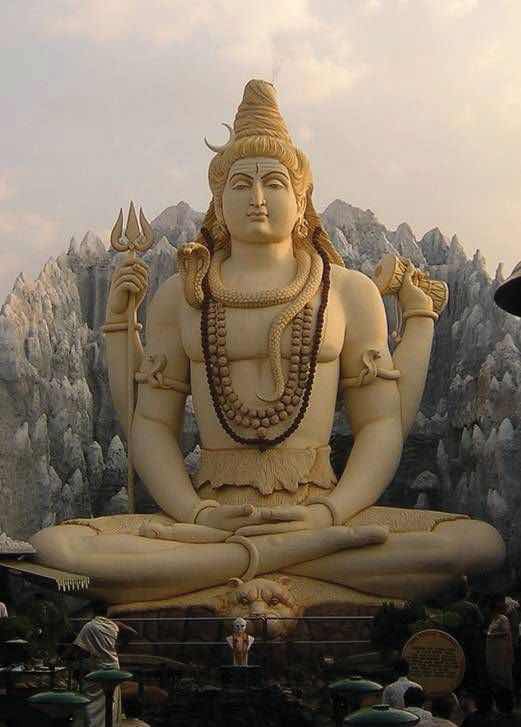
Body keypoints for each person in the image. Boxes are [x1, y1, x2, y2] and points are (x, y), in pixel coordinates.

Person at [30, 79, 505, 610]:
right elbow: (153, 426)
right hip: (210, 517)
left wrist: (327, 515)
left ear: (301, 201)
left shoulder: (348, 292)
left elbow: (380, 424)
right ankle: (303, 567)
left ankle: (228, 569)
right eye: (241, 185)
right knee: (57, 547)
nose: (257, 199)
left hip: (318, 509)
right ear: (218, 201)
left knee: (476, 543)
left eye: (274, 183)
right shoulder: (181, 296)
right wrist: (197, 515)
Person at [68, 614, 137, 727]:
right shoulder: (113, 625)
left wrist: (63, 657)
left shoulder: (89, 626)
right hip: (113, 667)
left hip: (97, 668)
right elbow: (132, 632)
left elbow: (78, 648)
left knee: (90, 700)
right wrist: (119, 648)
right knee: (111, 698)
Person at [486, 593, 514, 714]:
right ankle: (498, 700)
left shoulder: (503, 618)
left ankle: (504, 701)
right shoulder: (494, 619)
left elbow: (506, 632)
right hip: (493, 650)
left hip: (500, 649)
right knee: (494, 673)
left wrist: (491, 635)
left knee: (501, 674)